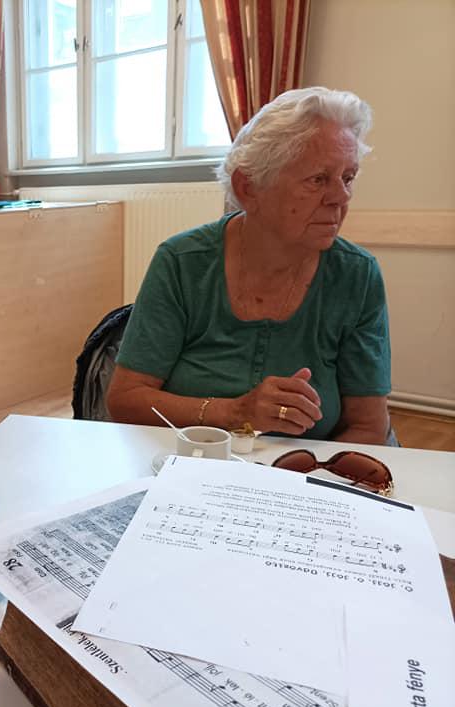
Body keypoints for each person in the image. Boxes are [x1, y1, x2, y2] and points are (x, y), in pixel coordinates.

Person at [106, 87, 391, 444]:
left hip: (306, 471)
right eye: (318, 179)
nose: (341, 197)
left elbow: (369, 427)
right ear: (248, 187)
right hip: (194, 463)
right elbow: (126, 400)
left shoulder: (357, 276)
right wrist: (236, 413)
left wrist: (302, 473)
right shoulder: (182, 262)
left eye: (347, 178)